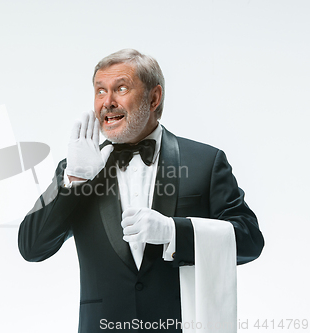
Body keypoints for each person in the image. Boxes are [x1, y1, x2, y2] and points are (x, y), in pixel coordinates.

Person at [18, 49, 264, 332]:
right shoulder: (76, 167)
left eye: (120, 88)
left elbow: (249, 240)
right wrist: (75, 179)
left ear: (154, 97)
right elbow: (31, 247)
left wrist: (174, 232)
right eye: (100, 91)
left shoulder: (205, 162)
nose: (107, 102)